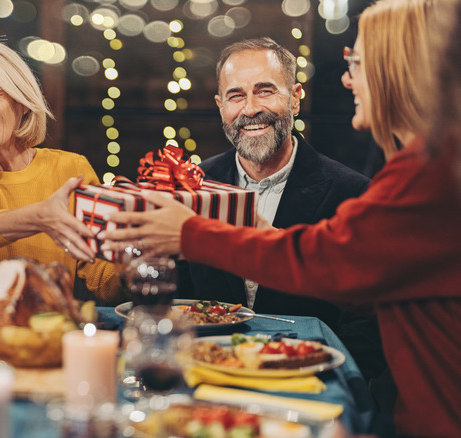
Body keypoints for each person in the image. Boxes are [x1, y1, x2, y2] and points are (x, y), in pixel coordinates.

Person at [99, 0, 461, 435]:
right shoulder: (433, 165)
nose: (347, 77)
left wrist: (191, 231)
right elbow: (373, 286)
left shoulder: (430, 174)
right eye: (236, 95)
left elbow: (326, 263)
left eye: (358, 62)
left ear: (397, 70)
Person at [189, 37, 370, 330]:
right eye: (236, 96)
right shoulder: (192, 185)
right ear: (220, 107)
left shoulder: (354, 194)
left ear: (295, 98)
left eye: (265, 91)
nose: (250, 109)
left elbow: (366, 327)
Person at [0, 37, 121, 303]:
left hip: (41, 327)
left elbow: (105, 280)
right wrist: (40, 216)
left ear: (20, 98)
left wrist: (136, 258)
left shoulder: (71, 169)